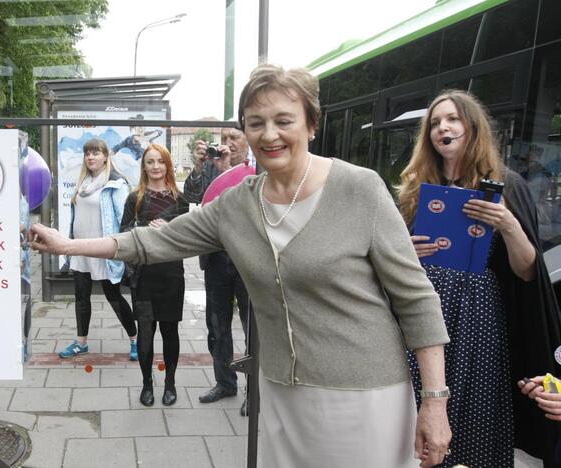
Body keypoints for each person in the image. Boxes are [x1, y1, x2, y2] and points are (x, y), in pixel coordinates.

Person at [30, 64, 452, 467]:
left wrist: (434, 400)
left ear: (311, 124)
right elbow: (154, 240)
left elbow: (415, 298)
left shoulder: (360, 189)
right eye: (255, 122)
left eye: (284, 120)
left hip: (365, 394)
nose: (269, 134)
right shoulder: (236, 204)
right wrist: (68, 243)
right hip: (283, 393)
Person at [398, 89, 561, 467]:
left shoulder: (507, 184)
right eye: (436, 123)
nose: (444, 128)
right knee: (417, 402)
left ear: (472, 127)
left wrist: (506, 223)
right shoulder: (415, 187)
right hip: (421, 308)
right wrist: (405, 249)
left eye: (453, 119)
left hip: (479, 316)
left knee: (474, 407)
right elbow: (390, 259)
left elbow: (526, 270)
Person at [184, 127, 251, 413]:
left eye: (234, 138)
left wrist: (230, 170)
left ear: (248, 140)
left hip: (249, 260)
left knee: (253, 328)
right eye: (223, 139)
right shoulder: (211, 168)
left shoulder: (259, 170)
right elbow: (189, 195)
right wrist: (201, 167)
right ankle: (225, 382)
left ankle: (255, 390)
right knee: (217, 325)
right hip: (217, 259)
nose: (228, 144)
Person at [120, 143, 189, 407]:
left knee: (170, 332)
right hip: (144, 277)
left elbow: (189, 237)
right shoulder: (134, 197)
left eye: (160, 161)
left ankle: (170, 382)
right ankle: (147, 383)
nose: (156, 167)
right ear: (144, 166)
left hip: (171, 275)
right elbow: (124, 233)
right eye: (150, 162)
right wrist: (147, 228)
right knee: (146, 333)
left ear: (168, 165)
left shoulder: (179, 199)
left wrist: (170, 228)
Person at [59, 138, 137, 360]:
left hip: (103, 250)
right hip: (80, 249)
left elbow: (124, 219)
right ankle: (81, 342)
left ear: (105, 156)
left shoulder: (115, 184)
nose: (90, 157)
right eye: (87, 153)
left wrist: (122, 248)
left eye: (95, 153)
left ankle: (134, 340)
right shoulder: (82, 183)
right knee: (81, 297)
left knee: (114, 297)